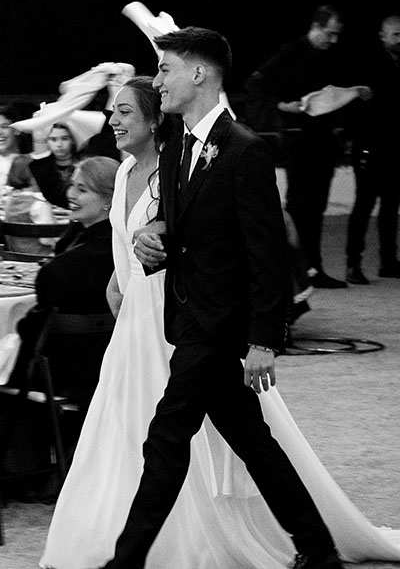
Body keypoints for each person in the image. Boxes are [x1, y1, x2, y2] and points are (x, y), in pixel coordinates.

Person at [90, 28, 345, 569]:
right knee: (252, 440)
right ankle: (319, 549)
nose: (158, 81)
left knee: (166, 436)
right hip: (187, 318)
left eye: (166, 69)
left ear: (199, 73)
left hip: (219, 327)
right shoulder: (178, 146)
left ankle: (125, 562)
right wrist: (153, 237)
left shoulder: (245, 150)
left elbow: (266, 254)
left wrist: (264, 341)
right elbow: (182, 226)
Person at [245, 5, 351, 289]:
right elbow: (256, 84)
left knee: (316, 206)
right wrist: (283, 106)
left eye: (337, 35)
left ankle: (313, 268)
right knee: (300, 206)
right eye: (330, 33)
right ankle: (295, 271)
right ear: (316, 26)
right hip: (298, 138)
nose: (333, 40)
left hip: (322, 139)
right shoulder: (291, 53)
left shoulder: (327, 56)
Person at [8, 156, 119, 400]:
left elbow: (31, 332)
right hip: (113, 370)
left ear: (109, 200)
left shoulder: (64, 268)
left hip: (64, 375)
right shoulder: (120, 247)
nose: (71, 194)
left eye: (82, 189)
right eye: (71, 186)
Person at [344, 14, 400, 284]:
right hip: (369, 146)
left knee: (391, 205)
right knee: (364, 205)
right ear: (382, 35)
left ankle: (388, 260)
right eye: (396, 34)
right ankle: (353, 263)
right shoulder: (368, 64)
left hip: (393, 147)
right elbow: (354, 104)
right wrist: (357, 143)